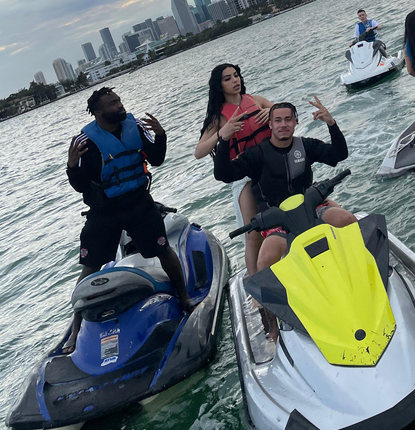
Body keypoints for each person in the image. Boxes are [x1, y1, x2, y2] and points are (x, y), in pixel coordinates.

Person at [64, 87, 194, 353]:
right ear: (99, 112)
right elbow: (80, 186)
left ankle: (184, 298)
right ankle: (75, 330)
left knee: (162, 250)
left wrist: (161, 135)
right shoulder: (85, 142)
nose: (120, 105)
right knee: (89, 268)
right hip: (105, 211)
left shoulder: (135, 125)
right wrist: (71, 164)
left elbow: (156, 159)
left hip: (138, 203)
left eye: (120, 100)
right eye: (113, 103)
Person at [213, 97, 356, 273]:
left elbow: (339, 155)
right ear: (270, 125)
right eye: (278, 120)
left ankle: (359, 265)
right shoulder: (256, 155)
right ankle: (269, 299)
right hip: (278, 222)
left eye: (288, 119)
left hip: (312, 209)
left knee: (347, 219)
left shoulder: (305, 145)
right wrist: (224, 140)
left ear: (296, 122)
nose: (283, 124)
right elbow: (223, 175)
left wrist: (331, 124)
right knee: (265, 258)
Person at [195, 64, 273, 275]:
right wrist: (223, 132)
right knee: (253, 232)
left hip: (271, 167)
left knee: (283, 219)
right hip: (244, 175)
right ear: (219, 86)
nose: (235, 81)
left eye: (236, 76)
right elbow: (199, 151)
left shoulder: (255, 100)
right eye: (227, 78)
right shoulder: (217, 117)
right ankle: (256, 284)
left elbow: (286, 113)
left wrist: (270, 112)